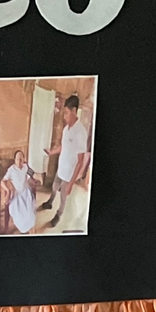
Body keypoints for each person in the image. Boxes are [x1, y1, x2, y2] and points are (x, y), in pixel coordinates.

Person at [41, 94, 91, 230]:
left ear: (74, 111)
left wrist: (71, 183)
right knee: (54, 186)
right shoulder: (66, 129)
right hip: (61, 167)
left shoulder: (80, 133)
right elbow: (64, 146)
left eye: (66, 113)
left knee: (63, 197)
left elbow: (80, 162)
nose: (64, 116)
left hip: (69, 173)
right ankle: (50, 202)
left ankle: (58, 215)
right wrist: (51, 152)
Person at [3, 148, 38, 235]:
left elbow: (33, 174)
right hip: (16, 194)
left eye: (21, 159)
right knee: (18, 212)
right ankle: (25, 229)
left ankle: (31, 231)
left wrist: (37, 178)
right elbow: (3, 181)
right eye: (18, 159)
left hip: (26, 193)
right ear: (15, 160)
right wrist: (7, 190)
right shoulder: (11, 169)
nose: (19, 161)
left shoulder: (26, 167)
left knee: (30, 213)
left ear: (23, 159)